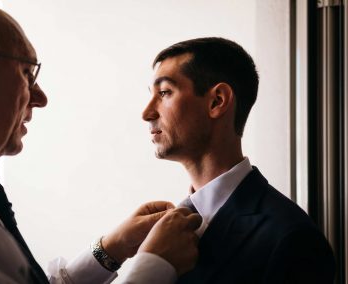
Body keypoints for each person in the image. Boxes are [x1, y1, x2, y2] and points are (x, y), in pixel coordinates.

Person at [0, 1, 202, 283]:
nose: (41, 98)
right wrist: (154, 267)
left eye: (165, 92)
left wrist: (109, 250)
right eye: (26, 73)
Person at [142, 37, 336, 283]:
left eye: (164, 93)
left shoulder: (291, 238)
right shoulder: (160, 229)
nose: (146, 113)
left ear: (217, 101)